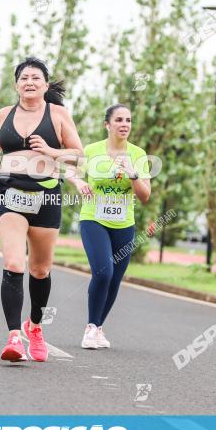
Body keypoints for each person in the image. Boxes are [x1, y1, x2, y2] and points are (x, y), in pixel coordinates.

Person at [0, 57, 83, 362]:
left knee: (40, 270)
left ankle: (34, 327)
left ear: (46, 85)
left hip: (46, 198)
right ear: (16, 84)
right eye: (24, 77)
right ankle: (14, 337)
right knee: (14, 263)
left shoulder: (59, 115)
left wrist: (51, 151)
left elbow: (78, 156)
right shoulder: (4, 115)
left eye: (36, 78)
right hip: (9, 193)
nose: (29, 82)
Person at [68, 104, 151, 349]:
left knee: (115, 278)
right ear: (107, 124)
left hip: (124, 222)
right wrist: (79, 183)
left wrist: (133, 175)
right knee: (103, 272)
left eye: (128, 120)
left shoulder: (138, 154)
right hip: (94, 217)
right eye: (118, 120)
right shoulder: (91, 150)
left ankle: (99, 328)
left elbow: (145, 196)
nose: (124, 124)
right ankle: (90, 328)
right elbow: (70, 172)